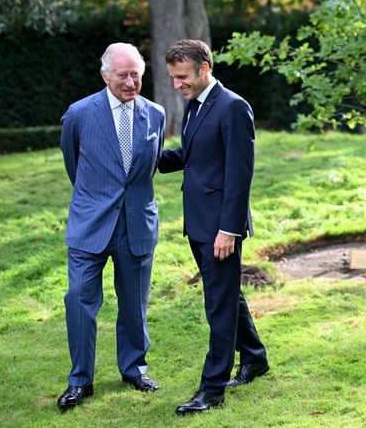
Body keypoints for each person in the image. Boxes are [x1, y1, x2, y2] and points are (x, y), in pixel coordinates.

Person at [159, 39, 268, 416]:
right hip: (198, 223)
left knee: (218, 305)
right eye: (173, 77)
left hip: (221, 228)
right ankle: (254, 358)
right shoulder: (194, 106)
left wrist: (230, 230)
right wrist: (149, 159)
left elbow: (240, 174)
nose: (177, 85)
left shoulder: (234, 108)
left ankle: (212, 389)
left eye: (182, 77)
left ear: (205, 68)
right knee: (226, 295)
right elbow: (193, 157)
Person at [57, 43, 165, 410]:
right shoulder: (79, 114)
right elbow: (73, 164)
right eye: (123, 75)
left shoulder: (156, 115)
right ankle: (80, 381)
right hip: (90, 224)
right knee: (78, 300)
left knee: (134, 303)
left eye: (136, 74)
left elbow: (146, 169)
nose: (131, 82)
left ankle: (134, 368)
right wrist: (96, 199)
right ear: (105, 76)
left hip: (137, 223)